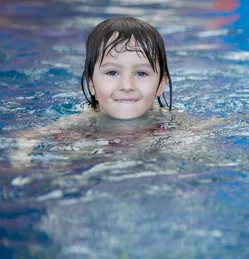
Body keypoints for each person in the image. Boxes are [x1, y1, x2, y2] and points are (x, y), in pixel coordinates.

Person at [9, 16, 178, 165]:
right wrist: (22, 159)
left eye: (141, 73)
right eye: (112, 72)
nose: (127, 86)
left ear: (161, 85)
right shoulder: (80, 123)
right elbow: (27, 137)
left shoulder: (169, 120)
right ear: (91, 84)